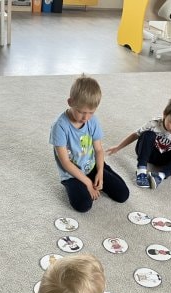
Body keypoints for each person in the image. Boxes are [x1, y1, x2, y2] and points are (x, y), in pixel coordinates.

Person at [49, 74, 129, 213]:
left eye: (91, 112)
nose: (86, 117)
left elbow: (98, 150)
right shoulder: (59, 126)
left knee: (123, 194)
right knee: (83, 205)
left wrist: (100, 173)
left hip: (91, 166)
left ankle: (102, 171)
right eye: (81, 112)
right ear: (70, 102)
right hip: (71, 174)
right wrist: (87, 182)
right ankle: (81, 182)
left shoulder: (92, 121)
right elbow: (65, 163)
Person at [106, 95, 171, 189]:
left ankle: (160, 176)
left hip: (163, 158)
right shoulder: (153, 124)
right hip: (147, 152)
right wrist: (118, 147)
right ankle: (141, 171)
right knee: (147, 134)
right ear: (164, 114)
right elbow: (135, 135)